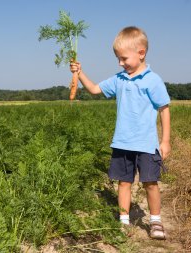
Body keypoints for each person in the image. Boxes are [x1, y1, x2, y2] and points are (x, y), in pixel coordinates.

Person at [70, 26, 171, 240]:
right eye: (118, 58)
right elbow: (95, 89)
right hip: (123, 143)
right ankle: (124, 222)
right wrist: (79, 74)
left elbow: (164, 109)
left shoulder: (153, 80)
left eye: (123, 58)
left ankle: (155, 221)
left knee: (150, 183)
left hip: (146, 144)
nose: (120, 63)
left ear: (141, 53)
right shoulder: (119, 79)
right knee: (123, 183)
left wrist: (166, 141)